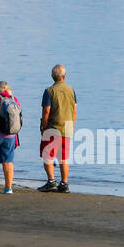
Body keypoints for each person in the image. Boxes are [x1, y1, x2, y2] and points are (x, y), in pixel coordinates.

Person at [38, 64, 78, 194]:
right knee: (63, 157)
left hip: (53, 126)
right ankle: (64, 183)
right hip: (67, 127)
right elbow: (75, 110)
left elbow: (46, 111)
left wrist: (44, 127)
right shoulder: (71, 90)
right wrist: (72, 125)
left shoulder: (49, 91)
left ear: (52, 77)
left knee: (47, 155)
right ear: (64, 76)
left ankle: (51, 181)